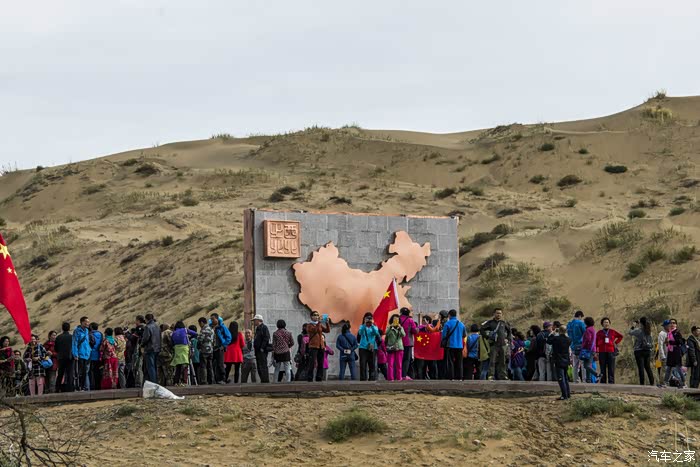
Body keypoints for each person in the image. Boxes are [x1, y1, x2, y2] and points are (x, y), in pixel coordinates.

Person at [481, 308, 512, 380]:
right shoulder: (490, 323)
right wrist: (487, 337)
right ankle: (491, 375)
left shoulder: (504, 323)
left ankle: (503, 376)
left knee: (503, 361)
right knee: (492, 361)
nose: (499, 315)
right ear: (494, 314)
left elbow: (509, 331)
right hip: (494, 345)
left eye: (500, 313)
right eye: (497, 313)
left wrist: (508, 339)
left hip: (503, 345)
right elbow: (482, 329)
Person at [595, 317, 623, 384]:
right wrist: (596, 351)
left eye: (607, 322)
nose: (606, 324)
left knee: (611, 368)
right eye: (605, 322)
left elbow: (620, 336)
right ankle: (603, 382)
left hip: (611, 351)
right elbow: (595, 342)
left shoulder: (612, 332)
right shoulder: (599, 333)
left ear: (609, 323)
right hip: (602, 352)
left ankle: (611, 382)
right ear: (602, 324)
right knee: (602, 368)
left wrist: (615, 342)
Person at [305, 311, 331, 382]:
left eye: (317, 315)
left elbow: (327, 330)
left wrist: (327, 323)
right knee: (312, 362)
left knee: (320, 362)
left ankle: (319, 377)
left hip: (321, 346)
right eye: (315, 315)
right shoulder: (309, 325)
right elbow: (314, 330)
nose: (316, 317)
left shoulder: (319, 325)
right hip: (313, 346)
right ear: (311, 317)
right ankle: (310, 377)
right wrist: (319, 323)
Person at [548, 326, 572, 400]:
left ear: (559, 331)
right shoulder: (568, 339)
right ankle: (568, 394)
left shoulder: (556, 339)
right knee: (565, 378)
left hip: (558, 360)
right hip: (566, 360)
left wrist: (553, 333)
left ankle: (564, 395)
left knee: (561, 378)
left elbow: (548, 341)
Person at [628, 317, 654, 386]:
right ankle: (652, 383)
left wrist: (633, 326)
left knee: (641, 368)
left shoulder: (639, 330)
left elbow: (630, 332)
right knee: (648, 367)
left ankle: (642, 384)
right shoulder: (650, 331)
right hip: (647, 350)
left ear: (641, 323)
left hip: (639, 351)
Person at [442, 309, 466, 381]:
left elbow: (444, 335)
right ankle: (460, 377)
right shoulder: (461, 324)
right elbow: (464, 335)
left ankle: (451, 377)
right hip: (459, 345)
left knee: (450, 361)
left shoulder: (447, 324)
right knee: (459, 362)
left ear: (449, 315)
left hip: (450, 345)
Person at [171, 321, 197, 386]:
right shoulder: (185, 330)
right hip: (184, 348)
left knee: (178, 366)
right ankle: (184, 381)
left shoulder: (174, 333)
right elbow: (195, 333)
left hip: (177, 349)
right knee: (185, 365)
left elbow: (172, 342)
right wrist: (189, 337)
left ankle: (176, 382)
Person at [358, 314, 381, 381]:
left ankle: (372, 378)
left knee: (372, 364)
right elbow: (360, 333)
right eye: (367, 319)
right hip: (363, 347)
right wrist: (364, 324)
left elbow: (376, 333)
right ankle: (363, 378)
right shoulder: (362, 326)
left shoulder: (375, 327)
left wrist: (372, 325)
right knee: (363, 363)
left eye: (370, 319)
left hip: (373, 347)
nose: (369, 320)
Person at [140, 313, 161, 385]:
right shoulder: (157, 326)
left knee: (150, 367)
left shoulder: (147, 327)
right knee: (155, 366)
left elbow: (146, 338)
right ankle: (156, 382)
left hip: (150, 349)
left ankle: (153, 383)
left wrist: (142, 345)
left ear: (146, 319)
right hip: (157, 348)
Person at [211, 313, 232, 384]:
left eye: (213, 319)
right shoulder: (210, 328)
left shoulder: (222, 327)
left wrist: (223, 345)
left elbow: (229, 337)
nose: (212, 320)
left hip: (219, 348)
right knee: (213, 364)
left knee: (220, 364)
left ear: (217, 319)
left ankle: (223, 379)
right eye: (211, 319)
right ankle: (216, 379)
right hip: (212, 349)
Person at [72, 316, 91, 391]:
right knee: (79, 372)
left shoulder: (87, 331)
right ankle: (78, 386)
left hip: (86, 354)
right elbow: (74, 343)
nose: (88, 323)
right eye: (86, 322)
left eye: (88, 322)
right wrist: (75, 354)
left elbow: (87, 342)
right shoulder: (77, 331)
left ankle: (83, 386)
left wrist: (89, 350)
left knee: (85, 372)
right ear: (82, 322)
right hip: (80, 354)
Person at [566, 310, 586, 383]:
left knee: (575, 364)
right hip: (581, 346)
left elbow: (568, 334)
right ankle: (584, 380)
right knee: (583, 364)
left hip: (573, 346)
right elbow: (585, 333)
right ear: (580, 316)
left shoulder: (569, 324)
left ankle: (575, 380)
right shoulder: (581, 323)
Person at [385, 314, 406, 381]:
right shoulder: (389, 327)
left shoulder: (401, 328)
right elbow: (386, 333)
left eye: (397, 319)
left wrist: (400, 328)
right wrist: (391, 327)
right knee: (390, 364)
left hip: (399, 347)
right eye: (394, 319)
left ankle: (399, 378)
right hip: (391, 347)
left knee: (399, 364)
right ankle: (390, 378)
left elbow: (403, 335)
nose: (395, 320)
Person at [664, 320, 685, 387]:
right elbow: (668, 343)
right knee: (668, 368)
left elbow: (680, 342)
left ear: (676, 324)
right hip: (670, 352)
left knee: (678, 368)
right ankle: (665, 382)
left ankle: (683, 382)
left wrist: (670, 342)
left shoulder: (677, 332)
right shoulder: (669, 333)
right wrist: (667, 342)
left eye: (674, 323)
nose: (672, 324)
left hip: (676, 352)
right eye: (671, 323)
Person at [399, 307, 418, 380]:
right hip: (407, 342)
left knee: (398, 359)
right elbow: (414, 331)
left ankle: (397, 374)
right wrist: (418, 329)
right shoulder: (410, 320)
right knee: (406, 359)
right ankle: (404, 375)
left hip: (398, 342)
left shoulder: (398, 319)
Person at [54, 323, 73, 392]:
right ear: (69, 328)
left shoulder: (58, 337)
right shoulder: (71, 337)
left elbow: (56, 348)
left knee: (60, 373)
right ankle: (70, 388)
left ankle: (57, 388)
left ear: (62, 328)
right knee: (69, 373)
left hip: (61, 357)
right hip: (70, 357)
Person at [252, 314, 271, 383]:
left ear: (258, 320)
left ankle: (265, 381)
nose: (254, 322)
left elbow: (266, 338)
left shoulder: (264, 327)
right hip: (257, 351)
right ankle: (262, 380)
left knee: (263, 365)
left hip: (262, 351)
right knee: (259, 366)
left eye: (255, 320)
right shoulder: (257, 328)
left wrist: (262, 347)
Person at [197, 317, 215, 385]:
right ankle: (211, 380)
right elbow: (214, 339)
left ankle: (204, 381)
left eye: (199, 323)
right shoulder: (211, 329)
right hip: (210, 350)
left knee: (203, 366)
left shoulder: (203, 330)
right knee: (210, 366)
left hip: (204, 350)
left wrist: (198, 346)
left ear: (201, 322)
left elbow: (200, 339)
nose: (199, 325)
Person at [579, 317, 597, 383]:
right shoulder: (593, 329)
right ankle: (588, 379)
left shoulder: (588, 330)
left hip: (588, 350)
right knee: (588, 364)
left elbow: (588, 340)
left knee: (586, 365)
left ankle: (596, 374)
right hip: (593, 349)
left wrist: (583, 346)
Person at [88, 323, 103, 391]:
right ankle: (98, 385)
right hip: (98, 355)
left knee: (90, 371)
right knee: (97, 371)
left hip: (91, 355)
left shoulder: (89, 334)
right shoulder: (100, 334)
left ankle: (91, 385)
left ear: (91, 327)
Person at [657, 320, 670, 384]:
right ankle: (662, 382)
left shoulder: (671, 333)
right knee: (664, 369)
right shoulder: (661, 334)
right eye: (668, 325)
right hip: (665, 354)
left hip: (671, 354)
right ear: (665, 326)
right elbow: (660, 345)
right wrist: (662, 355)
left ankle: (667, 382)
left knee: (669, 369)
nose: (669, 327)